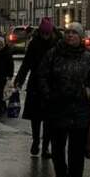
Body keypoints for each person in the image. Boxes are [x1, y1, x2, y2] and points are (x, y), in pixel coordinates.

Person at [39, 22, 90, 177]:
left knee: (77, 152)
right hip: (57, 107)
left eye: (74, 33)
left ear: (80, 37)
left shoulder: (87, 57)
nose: (70, 35)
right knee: (58, 149)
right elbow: (42, 75)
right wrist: (48, 95)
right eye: (68, 32)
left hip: (80, 109)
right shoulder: (53, 54)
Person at [15, 17, 59, 157]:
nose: (45, 36)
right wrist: (19, 80)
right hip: (36, 84)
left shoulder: (57, 43)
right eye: (43, 33)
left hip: (52, 84)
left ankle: (45, 147)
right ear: (40, 32)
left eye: (47, 33)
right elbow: (26, 63)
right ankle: (35, 141)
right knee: (36, 117)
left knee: (49, 119)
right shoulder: (34, 43)